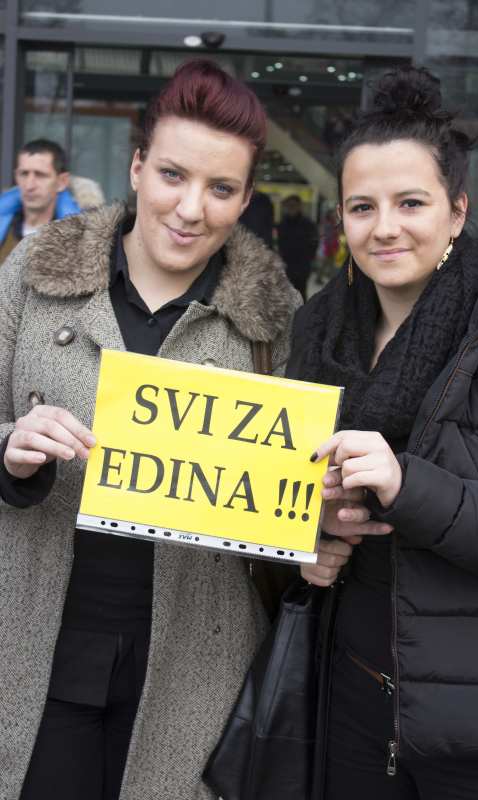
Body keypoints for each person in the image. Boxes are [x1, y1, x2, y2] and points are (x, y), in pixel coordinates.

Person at [0, 59, 300, 800]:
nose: (190, 208)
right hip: (31, 642)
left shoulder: (274, 320)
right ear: (137, 168)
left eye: (220, 188)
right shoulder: (34, 271)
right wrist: (9, 447)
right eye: (172, 175)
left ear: (245, 199)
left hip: (196, 662)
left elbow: (295, 490)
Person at [288, 66, 478, 799]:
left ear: (457, 212)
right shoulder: (317, 330)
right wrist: (309, 535)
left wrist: (405, 484)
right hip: (351, 694)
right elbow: (285, 494)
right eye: (362, 207)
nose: (384, 227)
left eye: (411, 203)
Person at [0, 139, 81, 263]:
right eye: (24, 174)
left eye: (40, 175)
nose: (29, 185)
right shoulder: (5, 228)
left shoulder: (82, 240)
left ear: (62, 182)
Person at [277, 194, 319, 300]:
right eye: (289, 206)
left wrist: (309, 257)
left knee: (301, 292)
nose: (291, 208)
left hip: (302, 265)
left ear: (299, 206)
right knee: (286, 294)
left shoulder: (308, 224)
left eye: (293, 205)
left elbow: (314, 242)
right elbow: (280, 243)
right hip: (287, 265)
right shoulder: (282, 224)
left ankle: (302, 311)